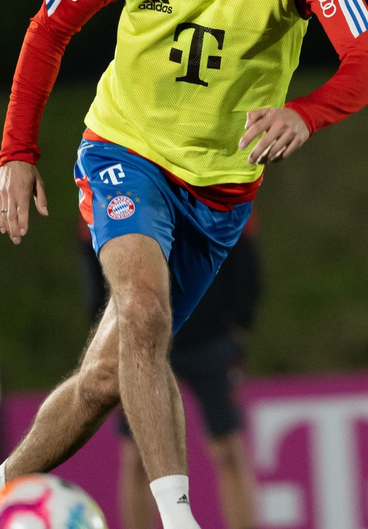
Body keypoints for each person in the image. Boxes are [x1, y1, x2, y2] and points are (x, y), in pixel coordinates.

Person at [0, 0, 368, 527]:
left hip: (218, 198)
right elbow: (49, 24)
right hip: (126, 154)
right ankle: (180, 520)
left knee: (102, 380)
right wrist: (17, 150)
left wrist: (305, 111)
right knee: (145, 312)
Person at [79, 215, 262, 529]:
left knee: (227, 448)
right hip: (142, 340)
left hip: (211, 337)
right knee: (137, 456)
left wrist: (237, 324)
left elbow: (244, 256)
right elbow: (96, 270)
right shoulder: (111, 178)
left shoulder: (214, 173)